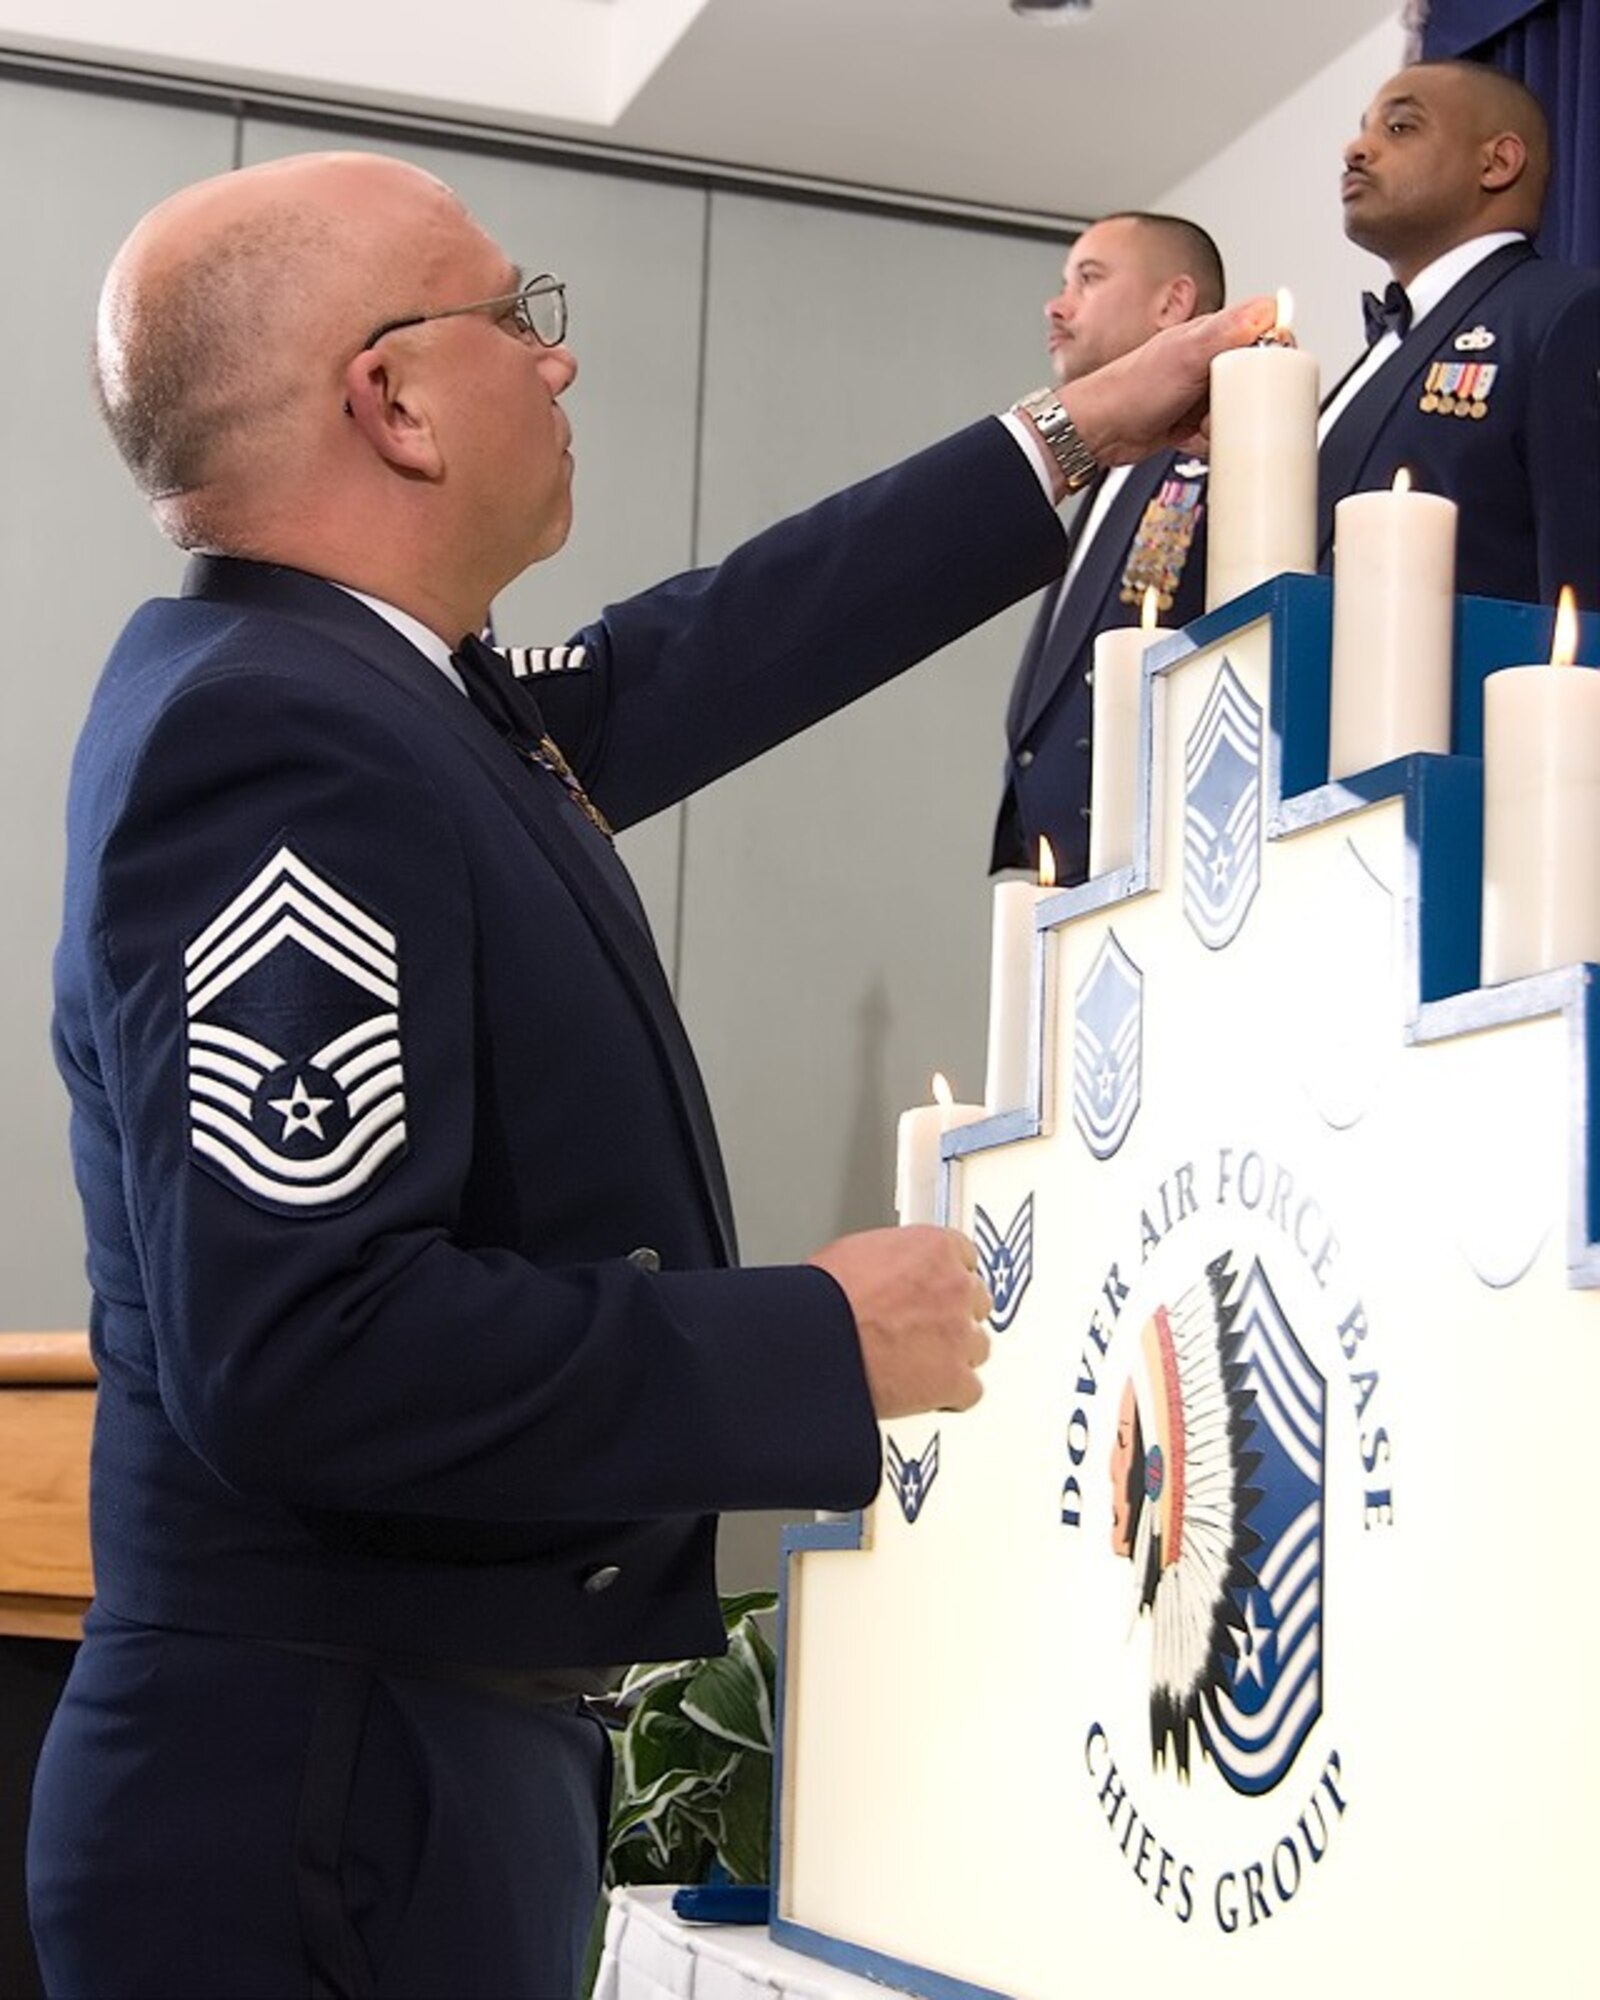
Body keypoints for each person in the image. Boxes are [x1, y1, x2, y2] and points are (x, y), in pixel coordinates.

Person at [29, 149, 1268, 1999]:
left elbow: (702, 650)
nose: (558, 359)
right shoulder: (278, 735)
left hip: (392, 1763)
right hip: (325, 1800)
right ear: (392, 400)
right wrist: (812, 1340)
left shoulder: (370, 689)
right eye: (515, 316)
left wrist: (1071, 436)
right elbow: (309, 1349)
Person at [993, 211, 1226, 882]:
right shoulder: (1106, 469)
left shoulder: (1215, 452)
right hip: (1071, 864)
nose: (1057, 306)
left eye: (1088, 280)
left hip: (1163, 854)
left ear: (1172, 303)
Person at [1319, 58, 1600, 609]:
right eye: (1363, 128)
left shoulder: (1566, 310)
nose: (1355, 150)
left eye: (1399, 127)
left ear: (1497, 162)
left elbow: (1583, 577)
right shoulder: (1380, 351)